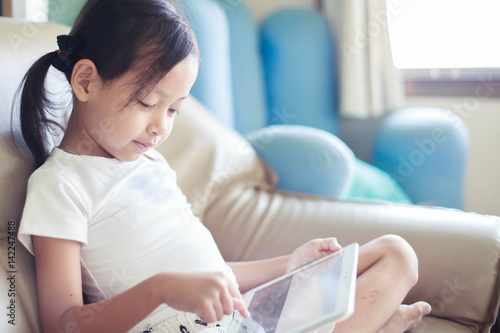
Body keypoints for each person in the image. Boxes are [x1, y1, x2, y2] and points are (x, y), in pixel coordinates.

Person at [15, 0, 431, 332]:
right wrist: (162, 290)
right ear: (85, 81)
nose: (161, 127)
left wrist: (289, 265)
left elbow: (207, 274)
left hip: (241, 317)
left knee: (397, 254)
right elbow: (63, 323)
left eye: (175, 110)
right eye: (147, 103)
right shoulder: (60, 186)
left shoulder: (150, 163)